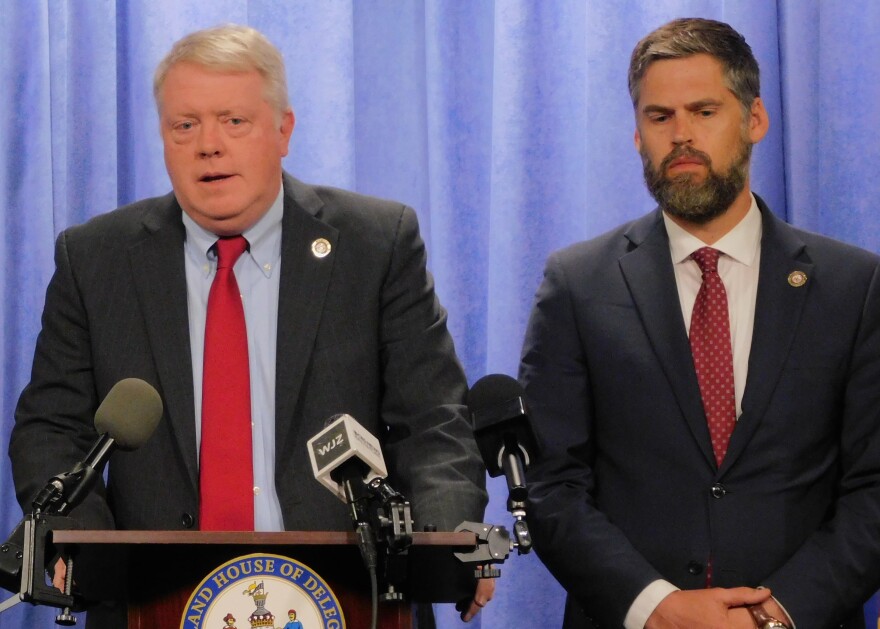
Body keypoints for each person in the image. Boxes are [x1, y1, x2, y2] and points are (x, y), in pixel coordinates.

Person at [9, 24, 491, 626]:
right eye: (185, 126)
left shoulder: (375, 244)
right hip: (155, 601)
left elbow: (434, 422)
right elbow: (51, 430)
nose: (208, 145)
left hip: (349, 596)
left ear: (283, 130)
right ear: (163, 137)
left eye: (233, 121)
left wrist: (441, 545)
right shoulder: (96, 259)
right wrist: (84, 542)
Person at [521, 17, 880, 629]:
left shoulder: (853, 286)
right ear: (637, 134)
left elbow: (874, 487)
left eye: (704, 111)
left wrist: (777, 614)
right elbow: (553, 486)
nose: (681, 135)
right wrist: (657, 608)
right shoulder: (578, 284)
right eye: (659, 117)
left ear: (755, 120)